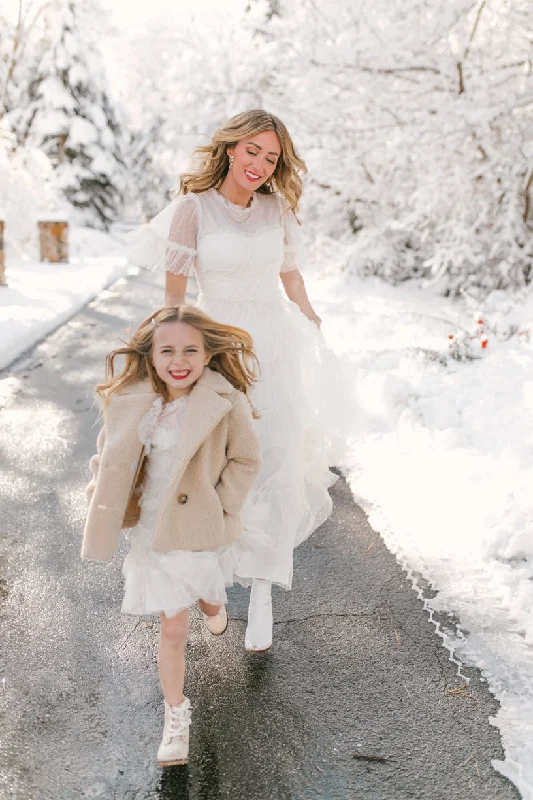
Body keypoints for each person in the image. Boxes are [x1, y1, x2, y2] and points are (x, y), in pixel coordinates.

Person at [127, 109, 354, 654]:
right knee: (224, 473)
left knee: (276, 462)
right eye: (252, 150)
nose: (259, 164)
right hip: (221, 353)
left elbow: (290, 274)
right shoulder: (192, 209)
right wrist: (173, 357)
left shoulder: (278, 209)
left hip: (276, 348)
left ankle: (264, 593)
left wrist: (312, 319)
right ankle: (216, 580)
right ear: (230, 149)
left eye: (271, 157)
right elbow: (176, 297)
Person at [81, 304, 263, 767]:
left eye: (190, 350)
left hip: (201, 524)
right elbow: (108, 457)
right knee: (173, 626)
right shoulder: (132, 400)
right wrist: (99, 493)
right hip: (154, 532)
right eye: (167, 350)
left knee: (205, 600)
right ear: (152, 355)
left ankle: (215, 603)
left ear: (207, 355)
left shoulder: (225, 401)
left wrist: (223, 506)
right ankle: (176, 719)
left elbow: (246, 460)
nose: (178, 360)